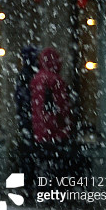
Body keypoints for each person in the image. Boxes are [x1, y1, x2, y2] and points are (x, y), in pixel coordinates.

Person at [29, 47, 73, 181]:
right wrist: (66, 123)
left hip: (40, 130)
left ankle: (43, 189)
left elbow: (35, 106)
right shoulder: (55, 80)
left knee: (43, 163)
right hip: (55, 129)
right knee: (56, 165)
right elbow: (62, 105)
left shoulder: (36, 79)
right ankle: (54, 191)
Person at [14, 45, 39, 195]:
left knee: (27, 153)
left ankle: (27, 183)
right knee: (31, 153)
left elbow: (20, 97)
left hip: (28, 119)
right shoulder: (32, 74)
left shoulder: (25, 75)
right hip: (33, 120)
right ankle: (29, 183)